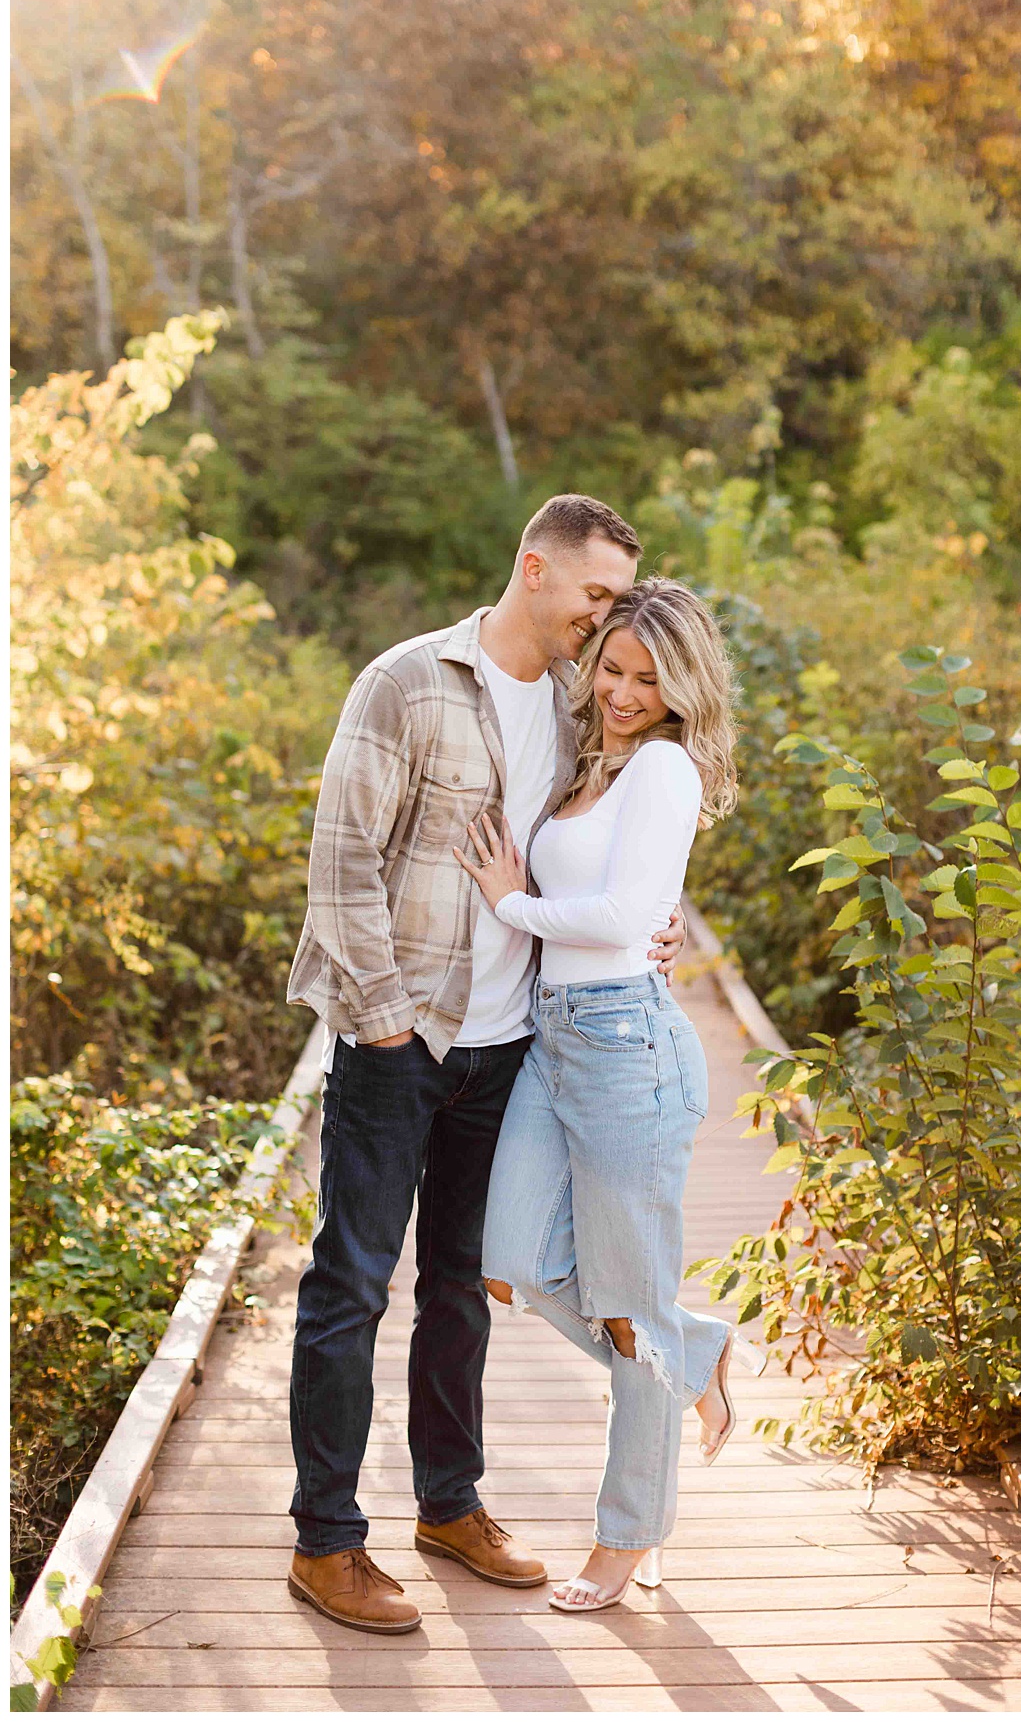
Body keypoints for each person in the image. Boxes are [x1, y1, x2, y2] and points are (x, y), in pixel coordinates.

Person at [284, 497, 689, 1635]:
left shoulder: (578, 710)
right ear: (534, 568)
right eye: (597, 597)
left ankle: (448, 1502)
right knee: (352, 1282)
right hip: (400, 1034)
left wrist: (659, 919)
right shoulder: (409, 682)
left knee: (460, 1285)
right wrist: (381, 1021)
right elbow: (340, 857)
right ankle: (326, 1538)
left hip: (512, 1046)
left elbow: (616, 842)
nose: (605, 626)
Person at [458, 576, 765, 1616]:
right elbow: (628, 904)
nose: (624, 690)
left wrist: (515, 902)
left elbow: (631, 909)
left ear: (682, 688)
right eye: (614, 667)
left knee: (628, 1310)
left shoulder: (668, 766)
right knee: (507, 1257)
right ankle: (697, 1345)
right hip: (556, 1038)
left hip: (630, 1045)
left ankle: (625, 1535)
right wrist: (568, 914)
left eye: (647, 677)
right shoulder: (590, 757)